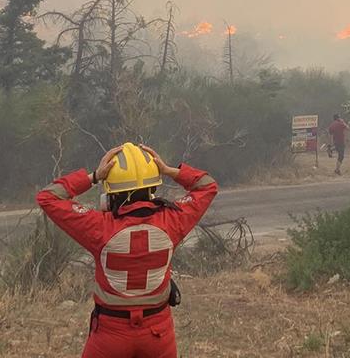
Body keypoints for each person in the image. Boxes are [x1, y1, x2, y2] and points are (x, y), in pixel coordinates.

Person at [37, 142, 218, 358]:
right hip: (158, 333)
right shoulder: (173, 220)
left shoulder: (99, 226)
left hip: (110, 334)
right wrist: (169, 170)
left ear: (111, 193)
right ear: (152, 188)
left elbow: (47, 197)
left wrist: (93, 176)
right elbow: (207, 186)